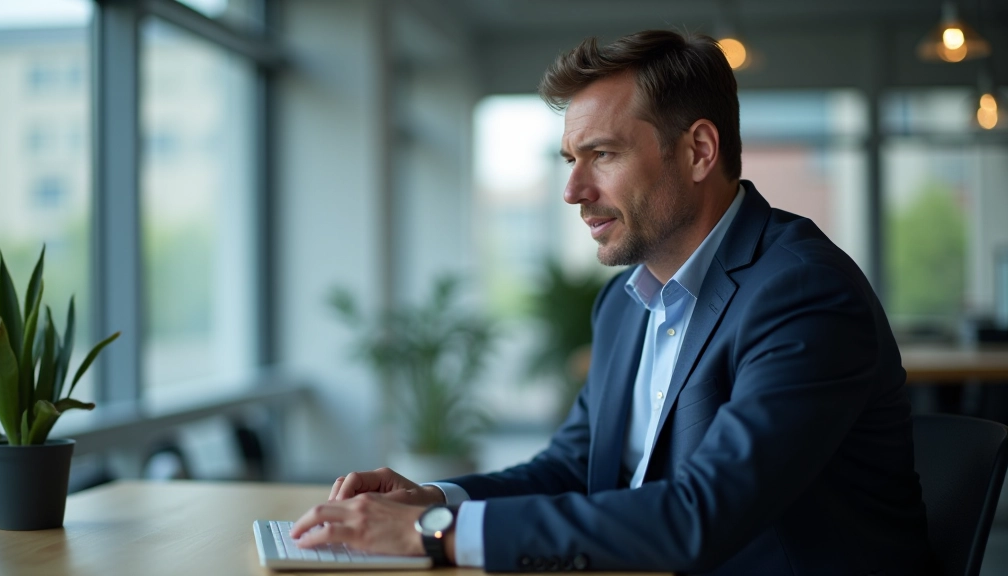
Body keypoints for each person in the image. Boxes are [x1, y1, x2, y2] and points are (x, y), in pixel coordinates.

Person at [290, 30, 933, 574]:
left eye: (603, 154)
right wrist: (435, 499)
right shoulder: (624, 304)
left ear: (698, 151)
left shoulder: (801, 290)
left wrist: (436, 536)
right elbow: (574, 465)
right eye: (570, 158)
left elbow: (702, 514)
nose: (573, 190)